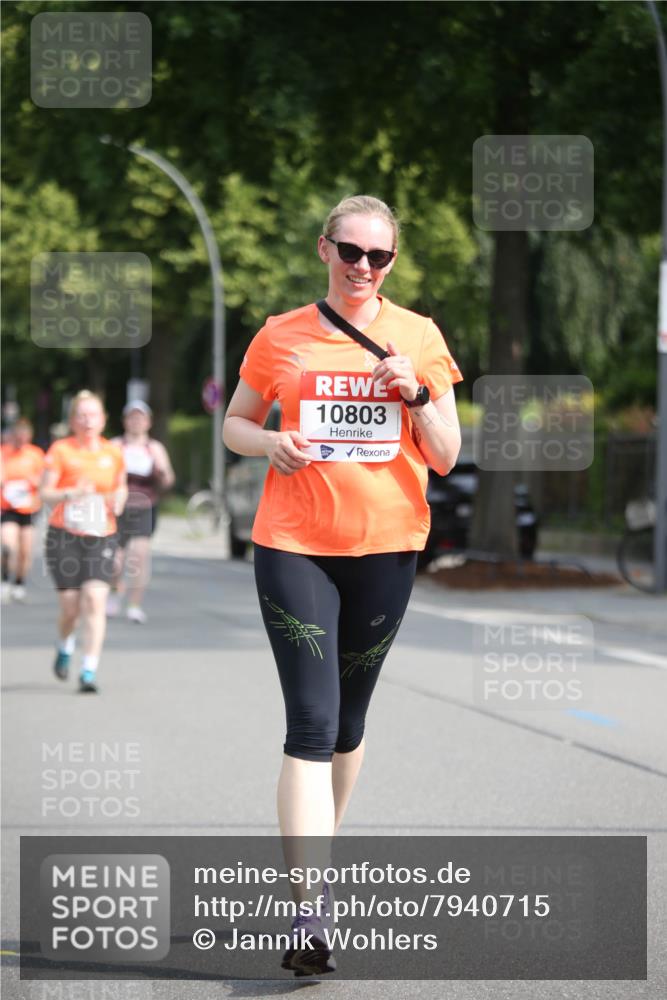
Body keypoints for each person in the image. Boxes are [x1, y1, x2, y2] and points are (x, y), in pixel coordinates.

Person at [222, 195, 463, 976]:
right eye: (350, 251)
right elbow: (234, 422)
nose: (363, 267)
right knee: (312, 722)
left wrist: (416, 394)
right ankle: (307, 914)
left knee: (349, 725)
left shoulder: (419, 337)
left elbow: (448, 454)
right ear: (324, 248)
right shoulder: (280, 336)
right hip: (293, 546)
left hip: (389, 547)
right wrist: (269, 441)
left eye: (379, 256)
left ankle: (314, 865)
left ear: (392, 262)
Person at [41, 390, 127, 693]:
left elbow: (121, 488)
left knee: (94, 599)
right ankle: (65, 644)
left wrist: (118, 500)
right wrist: (70, 494)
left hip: (101, 535)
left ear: (103, 420)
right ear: (72, 420)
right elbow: (45, 493)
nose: (87, 420)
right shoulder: (61, 450)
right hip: (64, 534)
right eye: (81, 415)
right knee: (70, 607)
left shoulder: (113, 453)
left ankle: (88, 670)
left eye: (93, 414)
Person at [107, 400, 175, 624]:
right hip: (118, 507)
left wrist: (161, 472)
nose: (136, 422)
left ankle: (135, 605)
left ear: (148, 422)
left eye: (140, 418)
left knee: (140, 555)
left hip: (145, 507)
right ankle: (116, 593)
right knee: (116, 560)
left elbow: (168, 480)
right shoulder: (115, 445)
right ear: (125, 421)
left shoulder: (154, 448)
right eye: (132, 417)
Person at [1, 418, 45, 602]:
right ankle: (4, 579)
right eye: (17, 433)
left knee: (26, 550)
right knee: (8, 545)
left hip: (29, 508)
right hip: (9, 507)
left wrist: (36, 482)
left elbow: (44, 480)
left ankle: (19, 582)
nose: (20, 437)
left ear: (29, 435)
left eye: (24, 433)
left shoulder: (36, 454)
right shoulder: (4, 453)